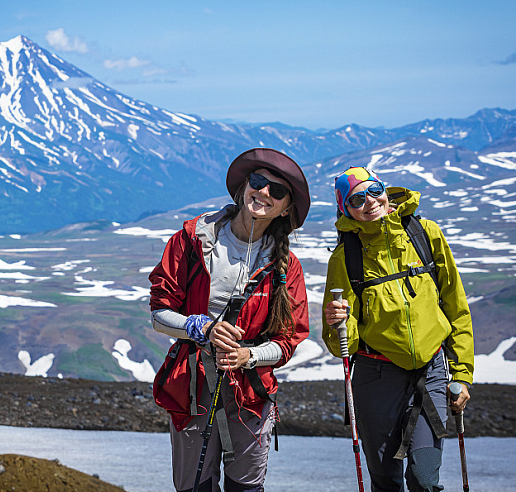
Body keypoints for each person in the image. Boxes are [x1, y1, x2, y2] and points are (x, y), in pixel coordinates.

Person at [149, 148, 311, 492]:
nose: (264, 193)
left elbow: (288, 340)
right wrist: (202, 328)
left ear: (286, 208)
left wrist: (247, 356)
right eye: (258, 182)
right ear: (243, 187)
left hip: (250, 394)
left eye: (277, 192)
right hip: (192, 386)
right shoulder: (192, 241)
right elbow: (160, 315)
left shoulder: (288, 267)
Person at [322, 167, 474, 492]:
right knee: (386, 481)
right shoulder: (344, 258)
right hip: (375, 379)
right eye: (356, 199)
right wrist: (338, 324)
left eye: (373, 190)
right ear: (346, 210)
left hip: (431, 372)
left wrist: (461, 374)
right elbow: (340, 346)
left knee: (424, 479)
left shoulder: (425, 234)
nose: (369, 201)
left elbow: (456, 306)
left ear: (385, 190)